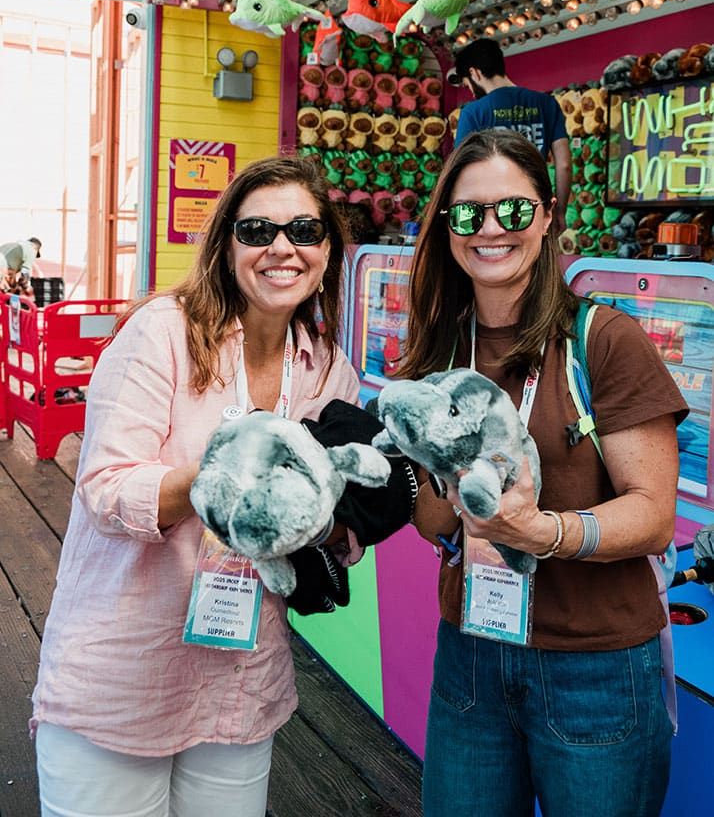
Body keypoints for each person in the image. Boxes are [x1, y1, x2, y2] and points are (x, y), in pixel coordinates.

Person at [32, 157, 361, 817]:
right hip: (124, 673)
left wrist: (327, 520)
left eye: (304, 229)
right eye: (257, 230)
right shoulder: (164, 330)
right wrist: (219, 475)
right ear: (226, 245)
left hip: (241, 679)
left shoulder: (329, 371)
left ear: (328, 249)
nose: (282, 248)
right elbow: (106, 487)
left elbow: (342, 531)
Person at [400, 130, 688, 817]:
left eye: (513, 209)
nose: (490, 229)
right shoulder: (442, 346)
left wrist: (543, 532)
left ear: (548, 215)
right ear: (446, 226)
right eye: (468, 213)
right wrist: (432, 479)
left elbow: (653, 515)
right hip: (472, 652)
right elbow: (433, 522)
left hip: (597, 669)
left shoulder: (604, 340)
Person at [452, 39, 571, 232]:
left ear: (475, 73)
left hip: (492, 212)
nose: (472, 93)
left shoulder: (473, 112)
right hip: (536, 206)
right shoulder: (547, 104)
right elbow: (564, 164)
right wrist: (560, 212)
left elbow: (459, 170)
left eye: (468, 85)